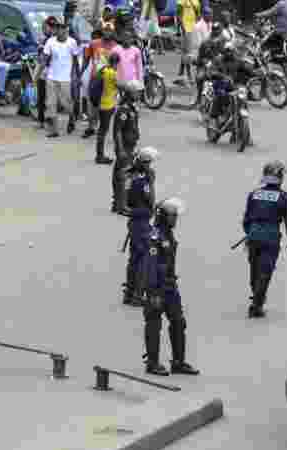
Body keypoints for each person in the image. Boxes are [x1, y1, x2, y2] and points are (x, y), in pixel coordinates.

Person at [139, 197, 200, 376]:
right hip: (157, 287)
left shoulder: (168, 234)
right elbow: (149, 265)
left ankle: (178, 362)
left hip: (170, 286)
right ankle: (152, 363)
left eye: (176, 216)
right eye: (172, 216)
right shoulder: (155, 236)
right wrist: (153, 292)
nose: (175, 219)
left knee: (179, 322)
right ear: (163, 216)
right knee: (153, 323)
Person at [242, 161, 287, 318]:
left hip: (253, 235)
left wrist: (250, 233)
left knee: (254, 269)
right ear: (279, 177)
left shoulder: (254, 194)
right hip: (271, 236)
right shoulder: (284, 197)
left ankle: (257, 298)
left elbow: (246, 219)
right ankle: (257, 304)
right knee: (265, 271)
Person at [123, 147, 159, 306]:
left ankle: (129, 293)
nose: (150, 166)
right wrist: (151, 183)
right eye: (148, 163)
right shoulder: (138, 179)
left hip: (137, 221)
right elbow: (147, 202)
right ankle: (137, 296)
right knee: (144, 259)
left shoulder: (134, 175)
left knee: (134, 259)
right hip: (140, 222)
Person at [42, 21, 79, 137]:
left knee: (66, 104)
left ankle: (72, 118)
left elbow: (75, 61)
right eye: (57, 28)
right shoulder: (50, 41)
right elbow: (45, 57)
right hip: (52, 77)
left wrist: (76, 76)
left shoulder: (72, 42)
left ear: (66, 29)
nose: (60, 30)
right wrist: (41, 71)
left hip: (66, 78)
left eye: (62, 28)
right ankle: (54, 130)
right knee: (51, 104)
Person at [111, 79, 143, 213]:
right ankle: (121, 206)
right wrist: (121, 149)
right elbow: (117, 131)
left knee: (121, 175)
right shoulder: (123, 110)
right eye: (138, 92)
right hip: (124, 147)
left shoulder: (132, 108)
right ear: (131, 93)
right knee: (123, 176)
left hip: (130, 146)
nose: (140, 95)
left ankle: (117, 203)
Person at [93, 50, 120, 162]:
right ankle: (100, 156)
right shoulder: (113, 73)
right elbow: (120, 85)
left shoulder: (102, 70)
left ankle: (99, 155)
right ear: (116, 63)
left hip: (100, 103)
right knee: (103, 131)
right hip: (108, 104)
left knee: (101, 130)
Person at [37, 16, 60, 128]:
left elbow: (43, 58)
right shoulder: (46, 39)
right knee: (45, 96)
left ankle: (46, 119)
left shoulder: (51, 40)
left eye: (46, 27)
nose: (45, 29)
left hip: (49, 71)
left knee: (46, 97)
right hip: (48, 71)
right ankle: (44, 120)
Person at [177, 0, 202, 82]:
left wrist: (198, 28)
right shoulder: (181, 1)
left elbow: (198, 16)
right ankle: (189, 74)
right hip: (186, 28)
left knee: (187, 51)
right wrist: (182, 27)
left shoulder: (196, 2)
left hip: (194, 29)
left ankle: (182, 67)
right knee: (188, 53)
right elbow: (179, 14)